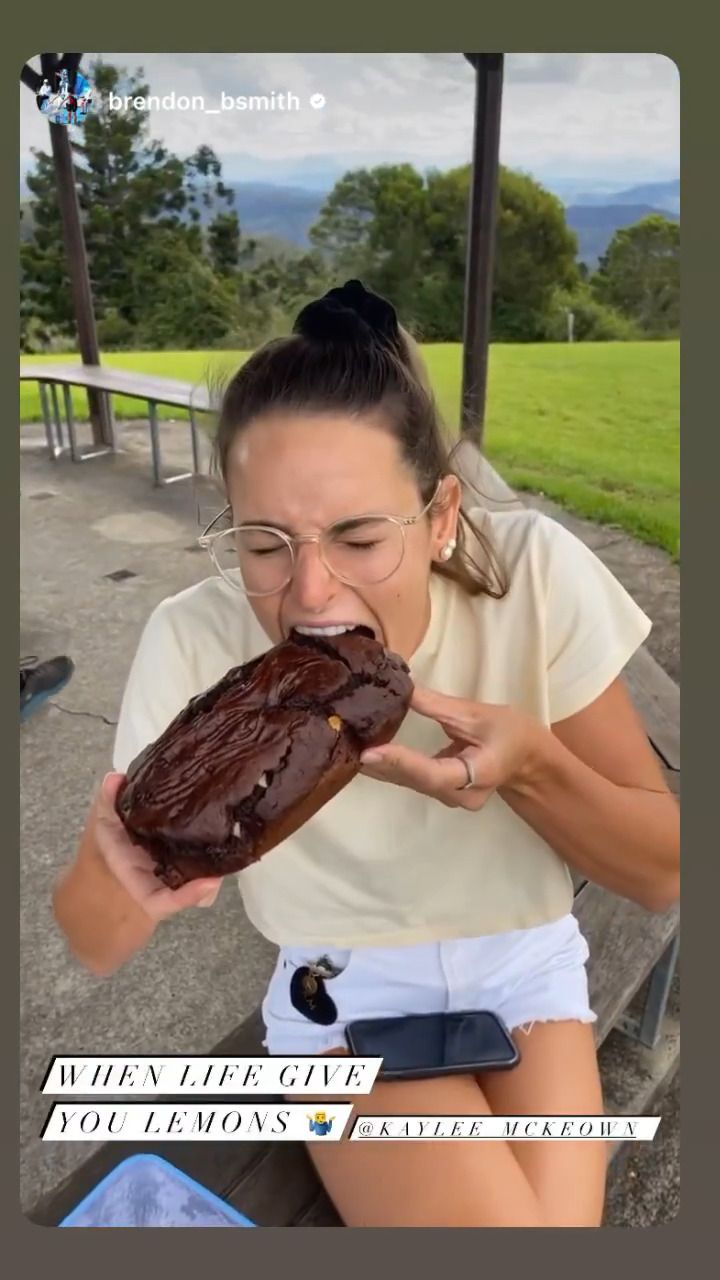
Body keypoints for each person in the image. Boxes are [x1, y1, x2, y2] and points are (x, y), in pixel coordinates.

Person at [52, 279, 679, 1228]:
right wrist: (124, 872)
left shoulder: (531, 577)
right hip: (339, 990)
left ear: (440, 516)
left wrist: (531, 769)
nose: (310, 592)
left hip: (525, 963)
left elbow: (664, 871)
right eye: (265, 544)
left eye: (357, 536)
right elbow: (93, 942)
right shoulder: (195, 638)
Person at [21, 655, 74, 721]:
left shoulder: (30, 684)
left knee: (30, 701)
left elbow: (24, 698)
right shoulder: (28, 677)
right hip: (57, 666)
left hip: (59, 676)